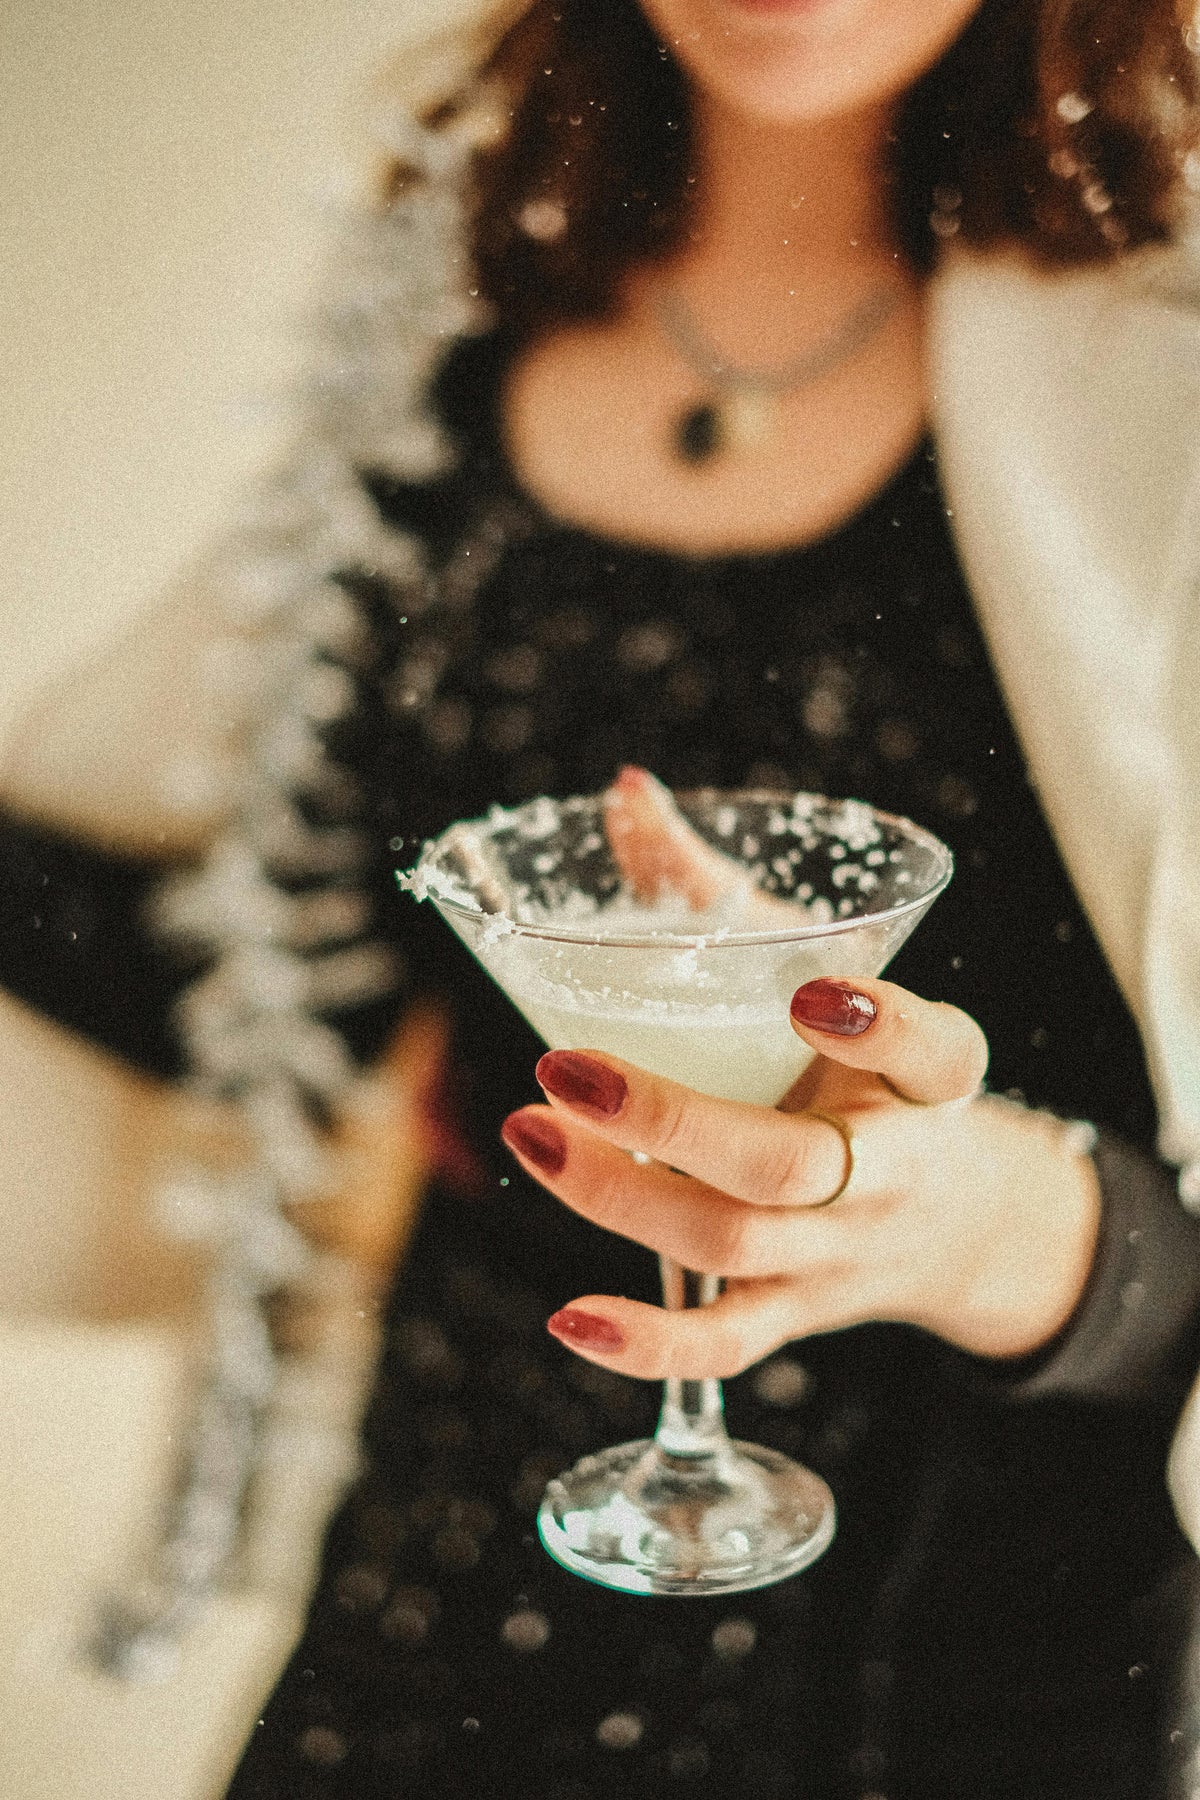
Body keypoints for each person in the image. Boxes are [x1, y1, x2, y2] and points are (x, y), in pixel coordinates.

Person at [2, 0, 1200, 1793]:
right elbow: (284, 963)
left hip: (966, 1644)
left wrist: (1002, 1227)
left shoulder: (1164, 395)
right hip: (454, 1563)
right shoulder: (441, 344)